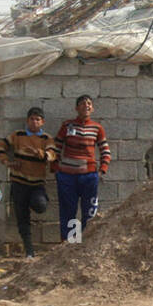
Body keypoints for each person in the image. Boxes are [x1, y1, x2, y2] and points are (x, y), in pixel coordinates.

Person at [0, 107, 58, 258]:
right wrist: (7, 161)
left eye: (37, 119)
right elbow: (0, 146)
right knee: (22, 218)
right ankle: (29, 251)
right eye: (32, 119)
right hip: (19, 182)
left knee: (40, 206)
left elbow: (53, 154)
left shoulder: (46, 138)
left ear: (42, 122)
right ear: (27, 120)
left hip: (37, 184)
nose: (34, 122)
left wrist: (41, 154)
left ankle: (33, 202)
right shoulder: (18, 135)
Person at [53, 94, 110, 240]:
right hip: (67, 176)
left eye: (89, 104)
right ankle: (70, 244)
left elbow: (105, 150)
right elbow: (56, 148)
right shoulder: (67, 125)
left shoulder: (97, 128)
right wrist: (56, 168)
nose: (86, 106)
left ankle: (85, 243)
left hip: (89, 176)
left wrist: (102, 169)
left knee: (89, 212)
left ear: (93, 108)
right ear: (76, 108)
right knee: (68, 211)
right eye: (83, 104)